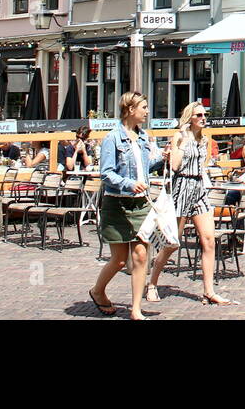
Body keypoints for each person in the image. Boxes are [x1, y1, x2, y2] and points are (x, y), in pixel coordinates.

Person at [146, 102, 234, 307]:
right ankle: (152, 283)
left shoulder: (203, 139)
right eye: (199, 115)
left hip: (199, 187)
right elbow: (175, 166)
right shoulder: (180, 136)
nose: (204, 118)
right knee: (172, 242)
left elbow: (203, 165)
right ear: (190, 118)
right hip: (183, 186)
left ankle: (209, 291)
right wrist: (182, 143)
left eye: (205, 114)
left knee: (209, 240)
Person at [90, 92, 165, 321]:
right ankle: (97, 291)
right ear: (130, 109)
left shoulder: (143, 137)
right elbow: (106, 173)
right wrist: (129, 184)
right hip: (118, 203)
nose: (147, 111)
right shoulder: (112, 138)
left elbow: (145, 166)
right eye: (143, 107)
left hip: (141, 203)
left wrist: (162, 158)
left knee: (141, 255)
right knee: (120, 260)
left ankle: (135, 309)